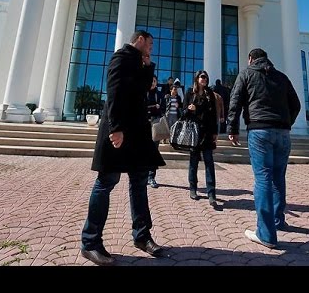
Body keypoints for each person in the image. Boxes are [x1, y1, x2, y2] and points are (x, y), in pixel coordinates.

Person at [80, 30, 166, 265]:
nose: (151, 49)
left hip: (137, 132)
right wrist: (115, 128)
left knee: (139, 183)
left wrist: (148, 65)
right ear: (139, 40)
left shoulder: (139, 62)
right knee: (106, 182)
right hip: (119, 130)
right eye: (149, 44)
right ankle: (90, 242)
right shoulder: (121, 57)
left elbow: (146, 88)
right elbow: (114, 91)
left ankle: (142, 236)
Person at [227, 48, 301, 249]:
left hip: (260, 132)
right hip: (282, 133)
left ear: (251, 59)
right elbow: (296, 105)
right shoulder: (282, 77)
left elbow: (235, 103)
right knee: (278, 178)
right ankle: (277, 221)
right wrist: (286, 123)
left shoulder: (247, 74)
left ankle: (266, 234)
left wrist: (232, 129)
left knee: (263, 178)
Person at [183, 70, 219, 207]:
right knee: (193, 162)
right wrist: (189, 109)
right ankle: (193, 188)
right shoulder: (189, 93)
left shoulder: (210, 93)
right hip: (194, 133)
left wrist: (215, 131)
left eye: (206, 77)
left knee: (209, 163)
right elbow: (183, 113)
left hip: (207, 133)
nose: (204, 79)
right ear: (197, 79)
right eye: (202, 77)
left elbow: (214, 113)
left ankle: (211, 193)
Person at [146, 75, 164, 188]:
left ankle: (151, 177)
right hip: (143, 124)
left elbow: (163, 109)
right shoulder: (143, 93)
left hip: (155, 124)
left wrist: (158, 108)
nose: (152, 83)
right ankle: (142, 175)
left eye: (154, 81)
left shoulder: (160, 95)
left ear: (156, 82)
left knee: (153, 151)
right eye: (150, 81)